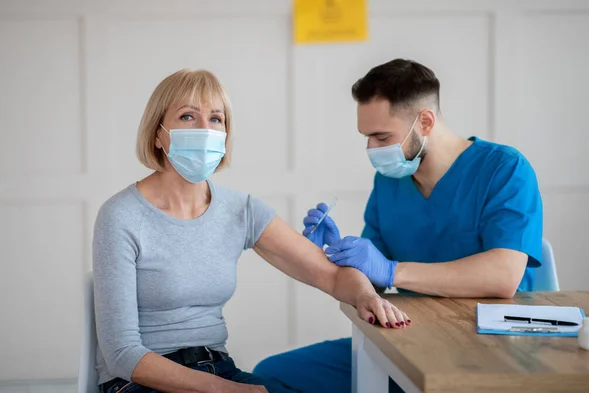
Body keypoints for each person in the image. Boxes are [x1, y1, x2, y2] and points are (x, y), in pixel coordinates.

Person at [93, 68, 410, 393]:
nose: (205, 129)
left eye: (216, 119)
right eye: (188, 116)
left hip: (218, 368)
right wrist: (224, 390)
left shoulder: (239, 210)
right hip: (139, 382)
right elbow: (121, 355)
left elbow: (330, 275)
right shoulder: (121, 216)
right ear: (157, 134)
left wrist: (366, 295)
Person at [253, 58, 543, 393]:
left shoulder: (504, 170)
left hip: (489, 351)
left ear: (425, 121)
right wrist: (335, 257)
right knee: (272, 375)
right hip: (406, 342)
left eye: (381, 137)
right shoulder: (389, 181)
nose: (371, 149)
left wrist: (393, 271)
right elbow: (370, 290)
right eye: (366, 138)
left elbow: (503, 277)